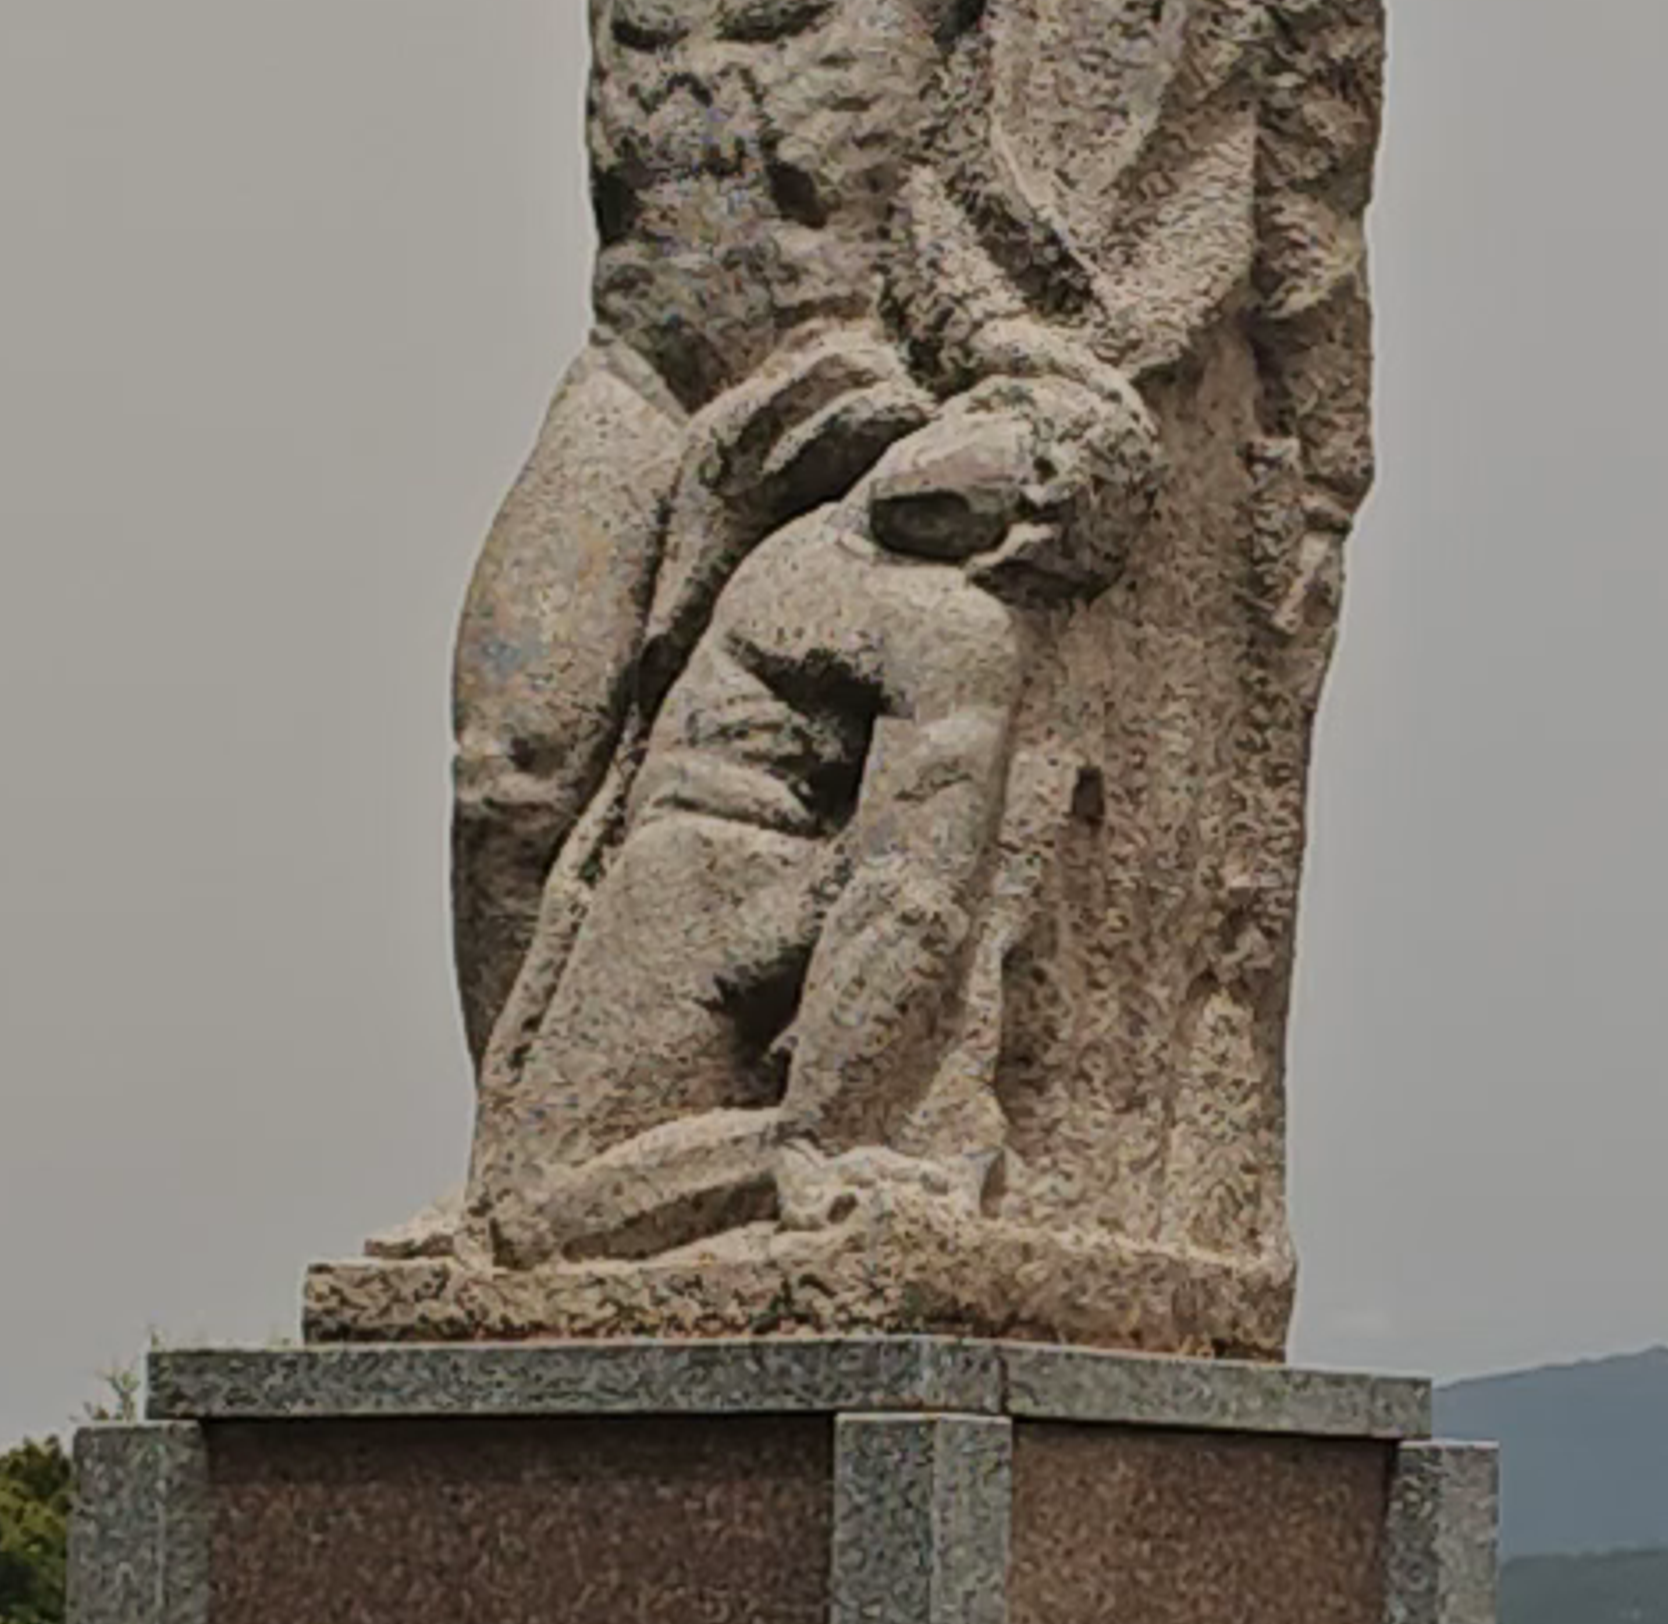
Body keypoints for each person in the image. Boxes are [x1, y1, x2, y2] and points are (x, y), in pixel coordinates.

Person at [446, 0, 1018, 1057]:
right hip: (640, 366)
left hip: (841, 367)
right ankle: (516, 1146)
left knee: (766, 789)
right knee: (509, 765)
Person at [470, 355, 1157, 1264]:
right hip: (666, 887)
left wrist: (821, 1131)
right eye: (1003, 412)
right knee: (534, 1204)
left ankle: (833, 1155)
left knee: (545, 1214)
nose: (978, 443)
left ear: (1046, 524)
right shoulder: (810, 533)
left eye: (1043, 461)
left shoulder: (955, 628)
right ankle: (814, 1155)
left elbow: (911, 898)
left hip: (745, 905)